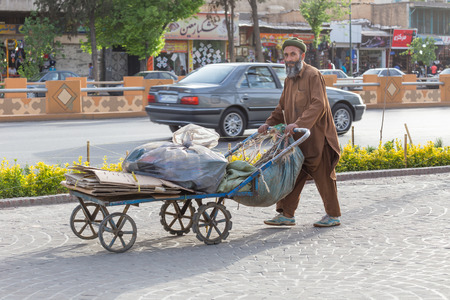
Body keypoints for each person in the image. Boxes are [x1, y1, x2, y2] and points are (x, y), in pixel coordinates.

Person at [258, 37, 341, 228]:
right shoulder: (289, 80)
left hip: (319, 138)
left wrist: (298, 123)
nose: (289, 59)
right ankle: (286, 215)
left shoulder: (313, 75)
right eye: (286, 55)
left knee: (324, 177)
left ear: (302, 56)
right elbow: (281, 108)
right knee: (292, 176)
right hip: (298, 140)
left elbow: (318, 104)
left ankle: (333, 215)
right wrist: (268, 124)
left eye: (293, 54)